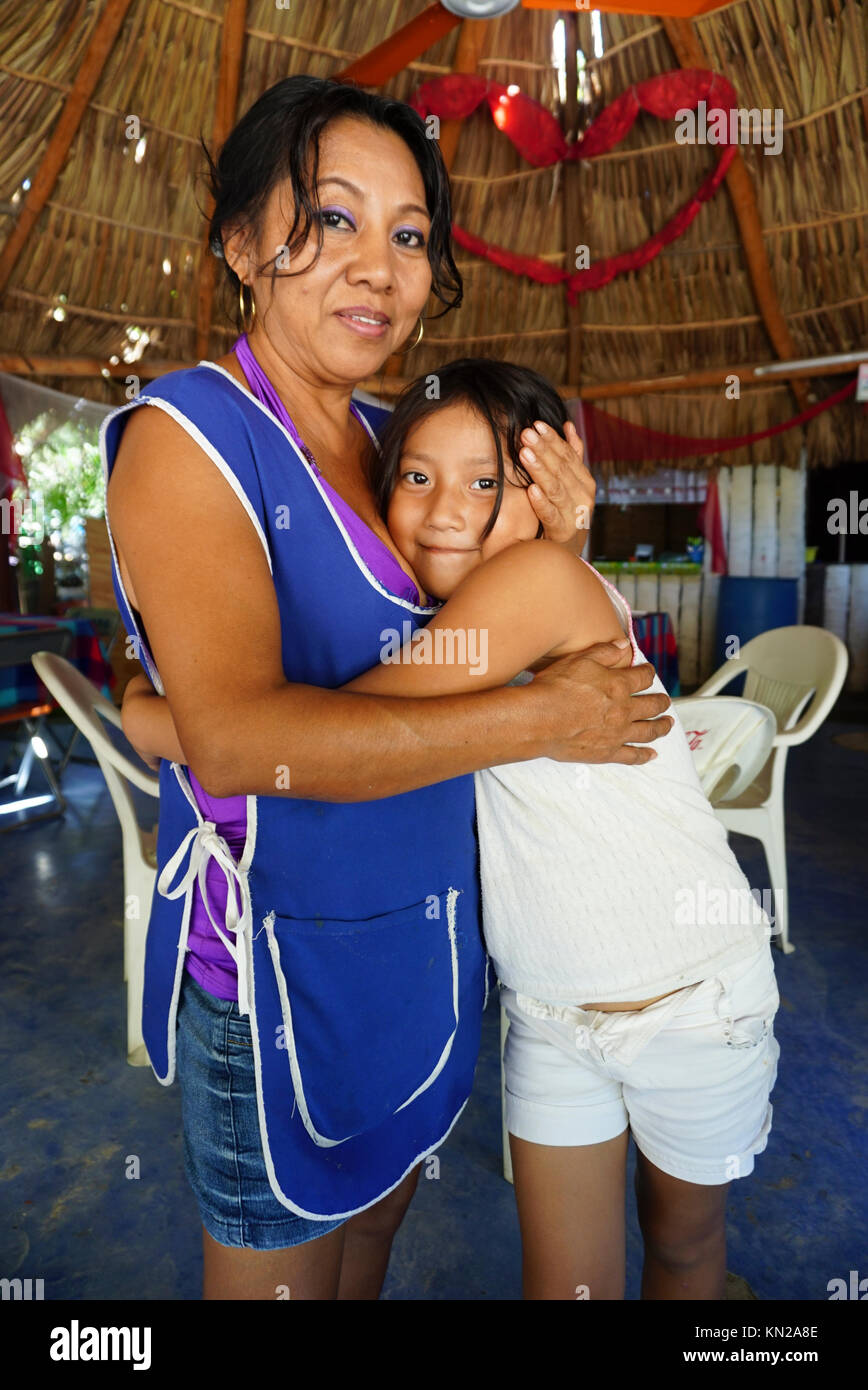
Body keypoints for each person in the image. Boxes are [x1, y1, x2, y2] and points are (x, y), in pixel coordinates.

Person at [107, 77, 672, 1302]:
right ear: (243, 244)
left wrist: (553, 554)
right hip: (277, 979)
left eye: (408, 234)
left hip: (419, 954)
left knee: (367, 1251)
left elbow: (481, 639)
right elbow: (247, 738)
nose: (377, 265)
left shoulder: (405, 443)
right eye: (331, 219)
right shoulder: (190, 437)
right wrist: (540, 720)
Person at [126, 356, 781, 1302]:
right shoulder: (447, 609)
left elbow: (329, 737)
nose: (446, 512)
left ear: (544, 490)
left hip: (691, 995)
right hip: (551, 1015)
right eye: (417, 478)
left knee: (683, 1251)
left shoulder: (535, 584)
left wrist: (151, 719)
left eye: (487, 483)